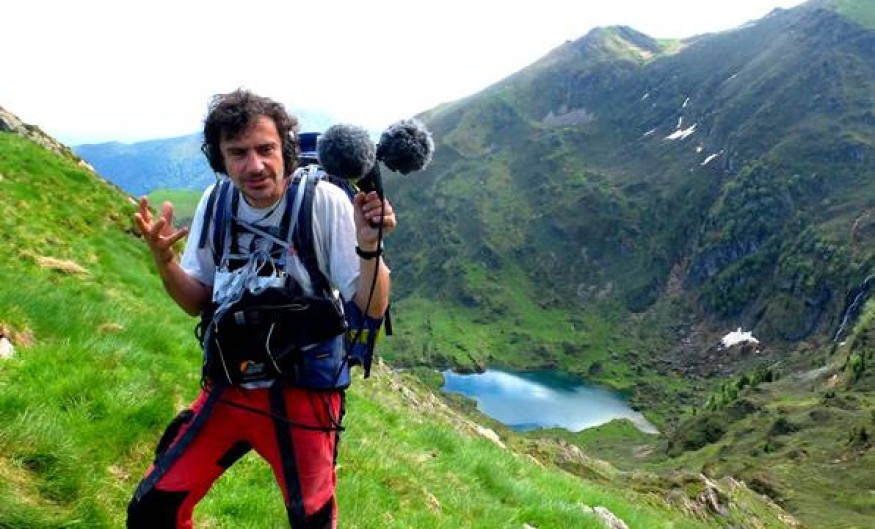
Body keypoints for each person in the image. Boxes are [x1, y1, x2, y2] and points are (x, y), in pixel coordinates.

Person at [127, 88, 394, 529]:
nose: (254, 165)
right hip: (230, 385)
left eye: (265, 149)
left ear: (285, 149)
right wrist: (165, 261)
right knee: (152, 511)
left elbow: (372, 303)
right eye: (237, 153)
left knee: (311, 521)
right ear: (220, 159)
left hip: (306, 395)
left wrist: (369, 247)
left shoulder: (323, 201)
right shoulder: (217, 202)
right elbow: (196, 300)